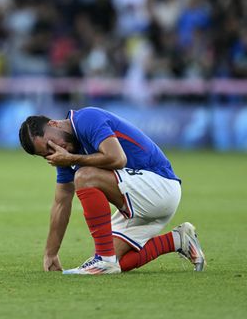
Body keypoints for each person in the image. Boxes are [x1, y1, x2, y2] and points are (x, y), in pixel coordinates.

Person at [18, 107, 206, 274]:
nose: (54, 151)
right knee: (119, 262)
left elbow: (117, 159)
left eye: (51, 143)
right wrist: (51, 254)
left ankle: (103, 259)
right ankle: (177, 240)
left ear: (54, 124)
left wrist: (73, 159)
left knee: (84, 176)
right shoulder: (65, 156)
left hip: (160, 186)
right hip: (139, 199)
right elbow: (61, 202)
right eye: (47, 154)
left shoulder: (86, 119)